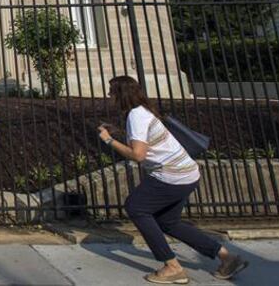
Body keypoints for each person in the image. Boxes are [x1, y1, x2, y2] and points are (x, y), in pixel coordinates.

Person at [98, 75, 247, 284]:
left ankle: (172, 267)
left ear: (120, 95)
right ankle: (227, 257)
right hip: (186, 173)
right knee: (168, 222)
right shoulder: (142, 111)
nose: (109, 95)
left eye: (111, 92)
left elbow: (138, 155)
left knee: (136, 207)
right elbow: (143, 141)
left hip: (171, 175)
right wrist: (118, 133)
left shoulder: (136, 116)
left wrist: (109, 140)